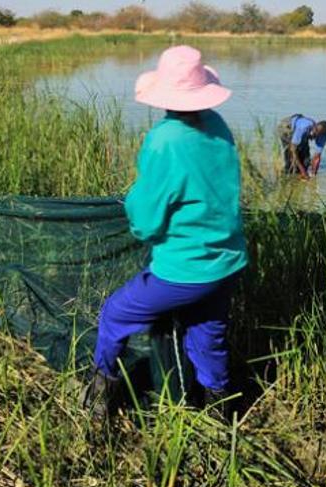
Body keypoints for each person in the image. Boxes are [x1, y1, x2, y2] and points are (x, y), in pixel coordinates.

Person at [82, 46, 248, 422]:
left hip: (184, 270)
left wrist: (137, 209)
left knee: (114, 314)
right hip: (228, 260)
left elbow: (145, 219)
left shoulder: (164, 139)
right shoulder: (218, 125)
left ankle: (98, 401)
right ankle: (222, 413)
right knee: (208, 332)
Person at [277, 115, 326, 179]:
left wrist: (313, 174)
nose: (314, 133)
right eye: (315, 129)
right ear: (315, 125)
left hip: (302, 132)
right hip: (287, 127)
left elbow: (317, 157)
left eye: (318, 133)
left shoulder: (323, 137)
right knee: (290, 162)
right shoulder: (303, 127)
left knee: (306, 162)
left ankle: (299, 179)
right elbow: (293, 150)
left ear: (322, 134)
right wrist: (303, 171)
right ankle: (285, 177)